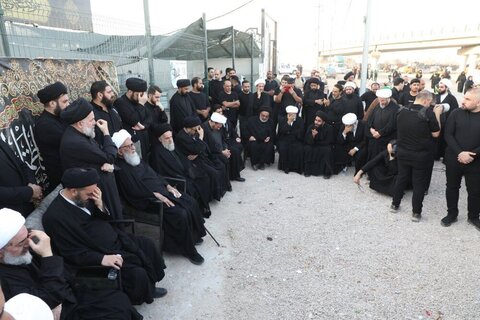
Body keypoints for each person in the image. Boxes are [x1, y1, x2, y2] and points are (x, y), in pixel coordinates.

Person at [42, 168, 167, 306]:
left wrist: (100, 204)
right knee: (137, 272)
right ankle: (143, 294)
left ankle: (150, 287)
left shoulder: (85, 196)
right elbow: (71, 252)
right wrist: (102, 258)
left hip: (115, 238)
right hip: (98, 252)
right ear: (73, 191)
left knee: (147, 244)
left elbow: (103, 218)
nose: (93, 196)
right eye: (90, 193)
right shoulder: (55, 218)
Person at [0, 208, 137, 320]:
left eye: (27, 235)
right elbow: (44, 301)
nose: (28, 243)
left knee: (119, 300)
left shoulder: (26, 248)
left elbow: (63, 275)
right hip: (60, 313)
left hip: (69, 296)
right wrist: (48, 255)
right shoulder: (4, 281)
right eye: (21, 242)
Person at [112, 130, 206, 264]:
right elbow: (133, 191)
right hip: (149, 201)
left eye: (132, 144)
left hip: (163, 191)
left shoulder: (135, 159)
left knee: (190, 202)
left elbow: (155, 174)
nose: (133, 148)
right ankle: (188, 250)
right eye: (129, 146)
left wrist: (168, 186)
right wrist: (155, 195)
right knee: (181, 214)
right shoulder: (121, 170)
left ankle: (193, 237)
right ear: (120, 151)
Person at [59, 98, 123, 220]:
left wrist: (108, 162)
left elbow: (103, 154)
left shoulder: (79, 133)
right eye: (91, 120)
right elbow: (109, 156)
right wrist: (106, 132)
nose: (95, 123)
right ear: (80, 123)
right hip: (93, 192)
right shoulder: (76, 142)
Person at [391, 90, 442, 222]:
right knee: (418, 183)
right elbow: (436, 134)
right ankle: (416, 213)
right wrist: (437, 114)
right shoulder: (428, 112)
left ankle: (395, 205)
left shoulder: (402, 110)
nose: (429, 105)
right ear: (426, 100)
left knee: (401, 178)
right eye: (430, 103)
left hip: (402, 152)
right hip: (420, 155)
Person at [149, 123, 212, 217]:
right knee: (192, 186)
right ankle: (198, 212)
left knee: (204, 178)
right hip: (175, 179)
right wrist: (169, 185)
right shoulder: (156, 153)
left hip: (184, 172)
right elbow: (159, 172)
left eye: (171, 137)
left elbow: (182, 159)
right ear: (160, 139)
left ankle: (203, 207)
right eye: (167, 138)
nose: (170, 140)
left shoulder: (171, 145)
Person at [441, 87, 480, 229]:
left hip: (476, 162)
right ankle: (452, 214)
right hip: (453, 159)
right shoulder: (456, 113)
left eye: (468, 99)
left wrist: (471, 155)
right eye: (464, 97)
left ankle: (474, 216)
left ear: (478, 102)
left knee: (475, 190)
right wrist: (460, 153)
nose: (463, 101)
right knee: (451, 187)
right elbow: (448, 135)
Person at [175, 116, 229, 200]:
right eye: (195, 129)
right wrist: (200, 137)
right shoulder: (181, 137)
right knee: (213, 173)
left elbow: (202, 147)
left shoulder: (193, 132)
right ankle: (212, 196)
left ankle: (220, 190)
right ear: (189, 128)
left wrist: (197, 151)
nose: (197, 131)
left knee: (220, 166)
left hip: (200, 157)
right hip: (192, 163)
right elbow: (196, 149)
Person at [34, 82, 69, 193]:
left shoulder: (60, 116)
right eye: (64, 102)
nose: (68, 104)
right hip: (61, 180)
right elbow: (71, 141)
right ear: (52, 103)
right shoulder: (44, 124)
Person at [0, 139, 42, 217]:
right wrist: (29, 192)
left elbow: (21, 164)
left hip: (28, 203)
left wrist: (31, 184)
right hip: (9, 216)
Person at [113, 78, 151, 160]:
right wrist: (141, 105)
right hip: (133, 143)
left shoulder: (139, 101)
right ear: (130, 92)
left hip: (144, 140)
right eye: (138, 94)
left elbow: (149, 117)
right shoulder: (120, 102)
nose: (140, 97)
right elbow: (133, 120)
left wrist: (144, 126)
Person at [201, 112, 245, 182]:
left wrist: (226, 149)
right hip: (212, 152)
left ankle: (235, 175)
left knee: (235, 152)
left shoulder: (218, 127)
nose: (219, 128)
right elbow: (209, 146)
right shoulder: (204, 129)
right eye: (218, 126)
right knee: (224, 160)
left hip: (221, 148)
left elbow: (223, 139)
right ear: (214, 122)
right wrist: (221, 152)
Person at [365, 88, 399, 161]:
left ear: (388, 98)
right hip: (374, 136)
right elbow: (370, 118)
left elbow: (392, 124)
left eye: (383, 100)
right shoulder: (378, 105)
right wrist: (371, 129)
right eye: (379, 100)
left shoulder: (395, 108)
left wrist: (380, 133)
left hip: (386, 139)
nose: (381, 102)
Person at [90, 80, 123, 147]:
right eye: (109, 92)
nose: (112, 94)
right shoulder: (91, 113)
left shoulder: (112, 108)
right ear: (100, 95)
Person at [304, 111, 334, 178]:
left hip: (324, 145)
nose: (316, 122)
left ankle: (327, 172)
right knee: (308, 149)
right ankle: (308, 171)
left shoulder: (329, 128)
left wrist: (317, 140)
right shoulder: (311, 126)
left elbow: (328, 141)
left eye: (319, 121)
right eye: (315, 120)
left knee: (327, 150)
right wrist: (313, 136)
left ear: (323, 122)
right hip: (313, 144)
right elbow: (307, 140)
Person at [277, 106, 304, 174]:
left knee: (299, 149)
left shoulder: (300, 120)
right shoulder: (282, 120)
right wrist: (288, 122)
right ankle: (285, 167)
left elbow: (300, 132)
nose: (292, 116)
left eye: (294, 115)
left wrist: (289, 132)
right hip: (285, 139)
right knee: (284, 148)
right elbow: (281, 131)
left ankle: (296, 168)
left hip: (296, 139)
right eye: (290, 115)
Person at [246, 106, 275, 170]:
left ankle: (261, 163)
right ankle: (254, 163)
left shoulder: (271, 122)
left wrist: (269, 137)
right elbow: (246, 131)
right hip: (254, 139)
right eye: (263, 115)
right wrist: (249, 136)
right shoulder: (252, 120)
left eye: (266, 116)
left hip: (265, 140)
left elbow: (272, 133)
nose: (264, 117)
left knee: (269, 146)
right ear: (260, 114)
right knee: (254, 145)